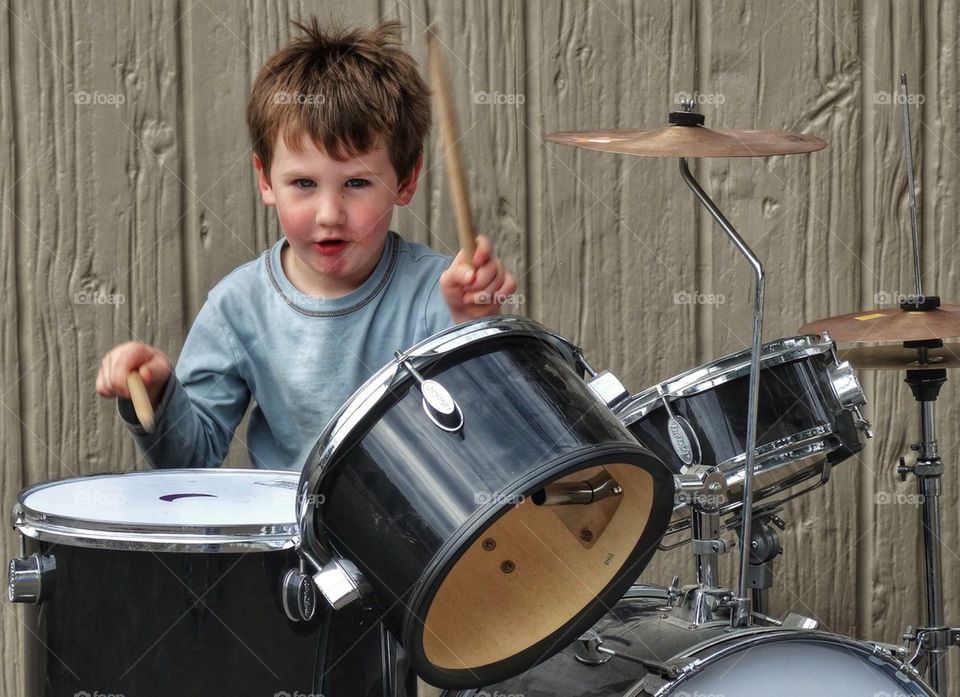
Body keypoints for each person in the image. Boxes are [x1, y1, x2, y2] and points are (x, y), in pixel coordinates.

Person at [95, 18, 517, 474]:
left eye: (357, 182)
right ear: (265, 180)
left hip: (420, 536)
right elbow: (193, 458)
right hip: (289, 539)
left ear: (406, 181)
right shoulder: (237, 307)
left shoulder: (441, 295)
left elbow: (491, 445)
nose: (329, 213)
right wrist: (159, 395)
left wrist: (474, 329)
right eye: (303, 183)